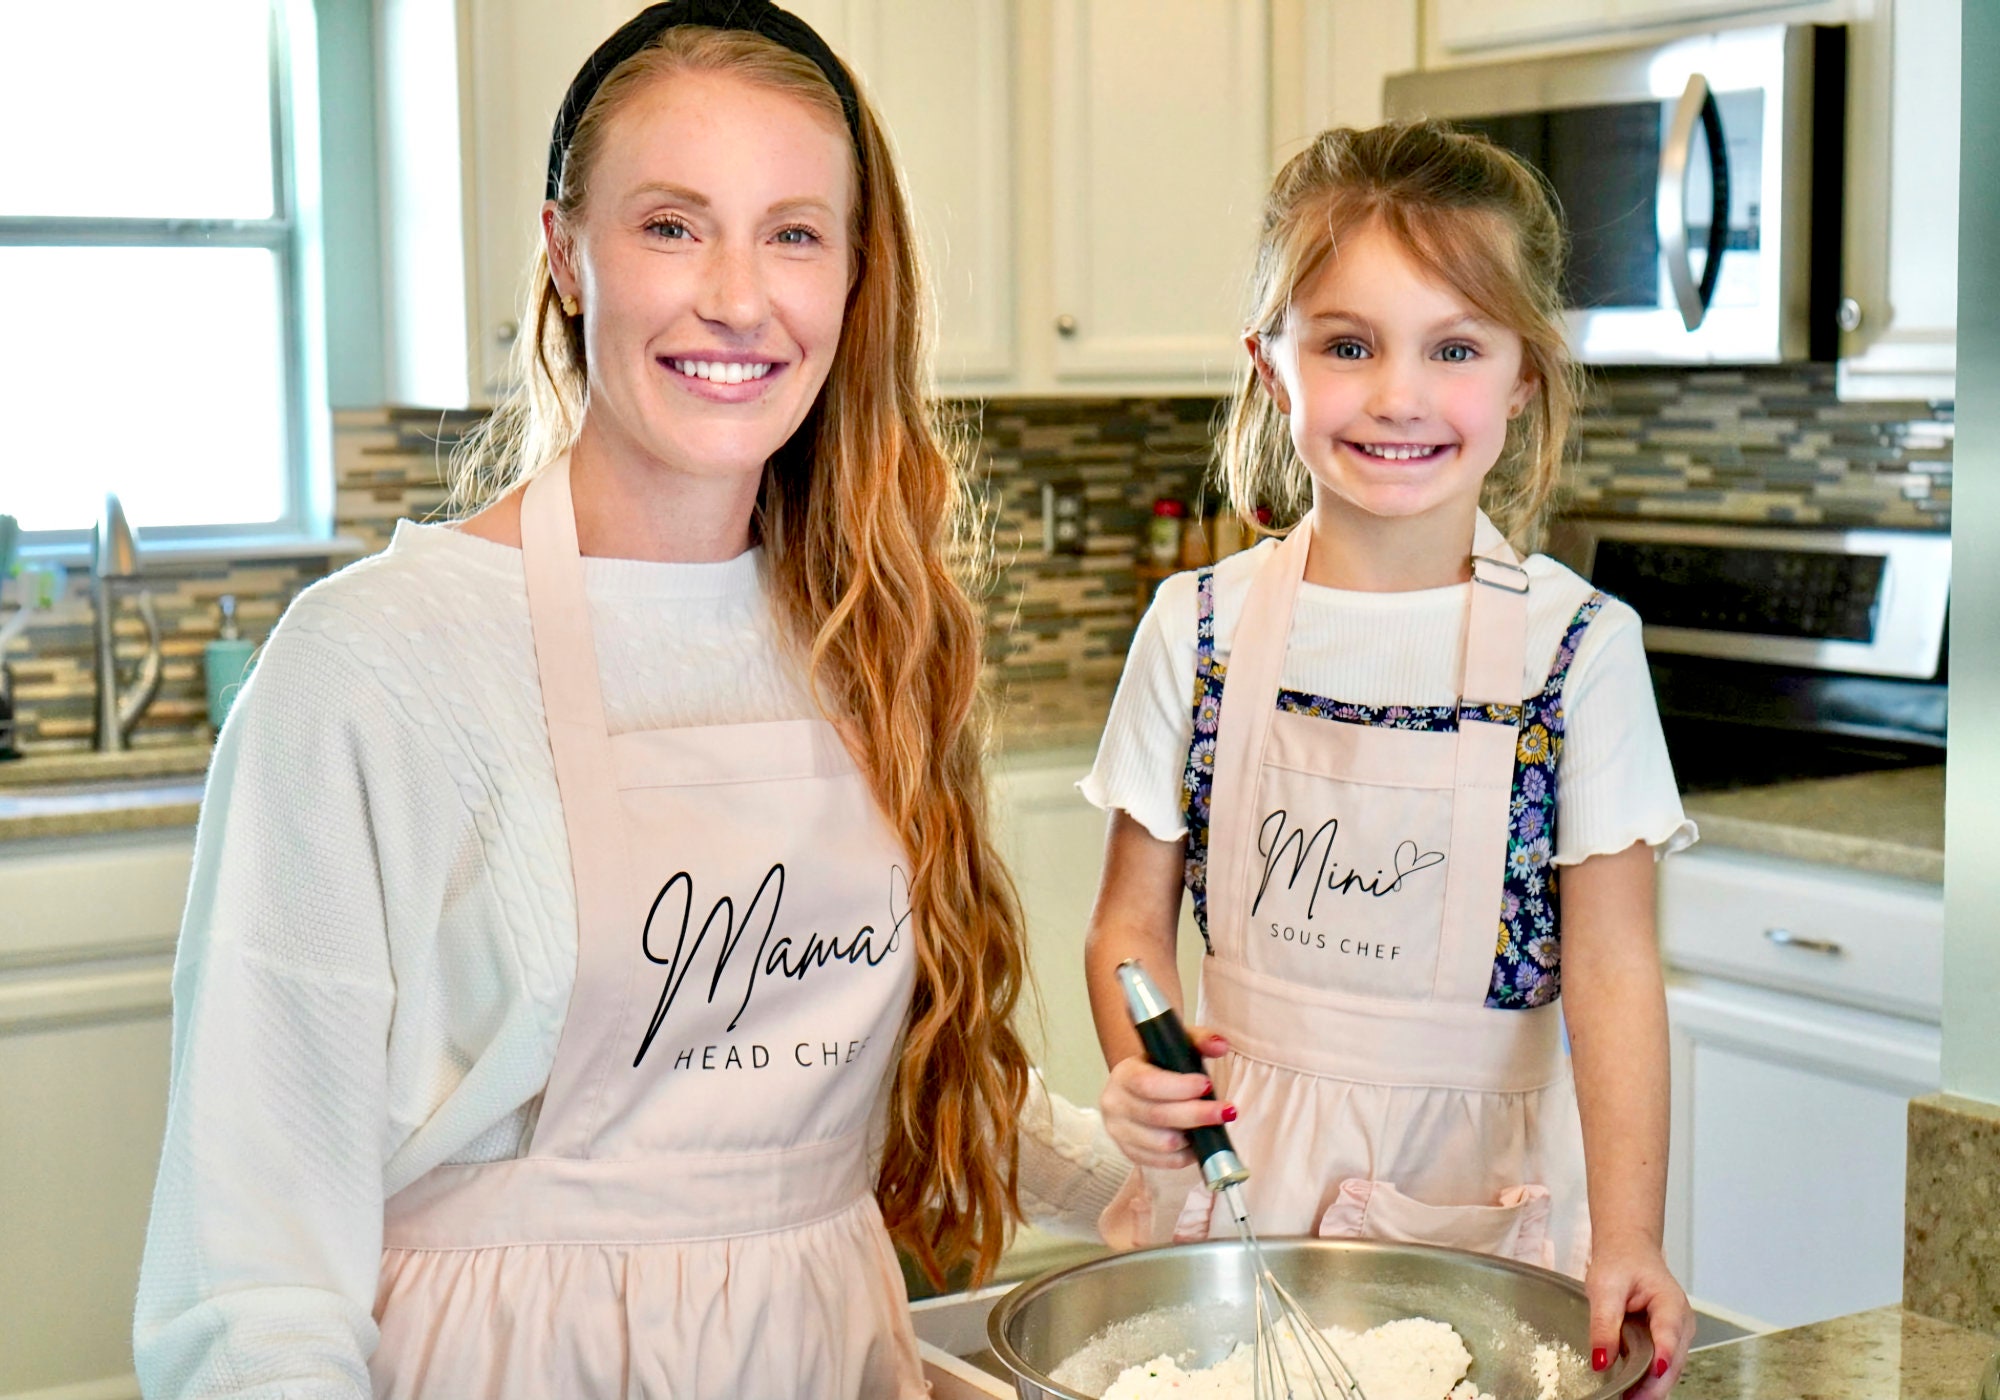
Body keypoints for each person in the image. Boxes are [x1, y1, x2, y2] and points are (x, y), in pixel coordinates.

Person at [133, 3, 1132, 1394]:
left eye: (794, 233)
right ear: (565, 254)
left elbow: (847, 1062)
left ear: (853, 276)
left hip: (828, 1360)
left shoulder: (873, 635)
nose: (737, 296)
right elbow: (249, 1269)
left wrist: (1132, 1186)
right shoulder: (372, 663)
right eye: (671, 225)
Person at [1081, 121, 1698, 1397]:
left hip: (1479, 1194)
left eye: (1454, 347)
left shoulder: (1576, 650)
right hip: (1231, 1184)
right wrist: (1141, 1064)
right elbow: (1127, 929)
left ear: (1521, 375)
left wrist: (1631, 1233)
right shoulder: (1192, 629)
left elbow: (1614, 963)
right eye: (1347, 343)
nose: (1397, 396)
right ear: (1270, 364)